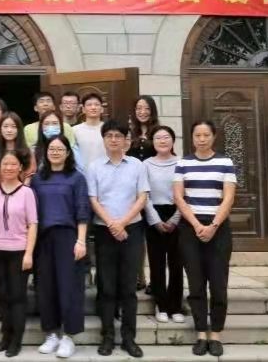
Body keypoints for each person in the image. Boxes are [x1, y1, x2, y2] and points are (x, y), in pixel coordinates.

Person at [173, 120, 236, 357]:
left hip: (218, 228)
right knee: (196, 283)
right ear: (192, 138)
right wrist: (197, 225)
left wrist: (213, 225)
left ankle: (216, 334)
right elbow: (179, 197)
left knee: (218, 284)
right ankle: (201, 333)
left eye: (206, 135)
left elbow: (228, 198)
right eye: (197, 135)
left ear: (213, 136)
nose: (201, 139)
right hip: (190, 228)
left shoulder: (225, 162)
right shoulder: (183, 163)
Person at [87, 119, 149, 359]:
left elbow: (142, 197)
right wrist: (113, 224)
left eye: (118, 136)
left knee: (128, 287)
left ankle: (129, 338)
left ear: (126, 140)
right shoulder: (94, 167)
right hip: (104, 231)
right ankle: (107, 336)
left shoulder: (137, 165)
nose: (114, 140)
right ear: (103, 139)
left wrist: (122, 223)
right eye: (109, 136)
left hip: (131, 230)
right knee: (106, 286)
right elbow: (93, 200)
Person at [30, 135, 90, 359]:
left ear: (68, 153)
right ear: (46, 152)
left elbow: (82, 210)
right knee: (46, 287)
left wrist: (81, 240)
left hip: (68, 236)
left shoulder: (77, 178)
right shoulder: (38, 179)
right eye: (51, 149)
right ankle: (51, 334)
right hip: (43, 238)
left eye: (60, 149)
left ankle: (68, 337)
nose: (55, 152)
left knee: (69, 287)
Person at [0, 150, 38, 358]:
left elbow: (33, 224)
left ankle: (16, 340)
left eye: (13, 164)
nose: (9, 168)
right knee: (3, 295)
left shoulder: (27, 193)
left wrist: (29, 253)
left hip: (19, 251)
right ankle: (5, 337)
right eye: (5, 164)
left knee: (17, 296)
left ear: (20, 167)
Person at [143, 125, 185, 324]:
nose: (162, 140)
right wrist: (155, 220)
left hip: (178, 213)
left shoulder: (182, 163)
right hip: (154, 215)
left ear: (173, 140)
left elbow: (186, 193)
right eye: (158, 137)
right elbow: (144, 194)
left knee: (176, 263)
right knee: (156, 263)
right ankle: (161, 305)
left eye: (166, 137)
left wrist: (175, 219)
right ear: (153, 142)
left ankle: (176, 306)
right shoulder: (146, 164)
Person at [128, 96, 159, 293]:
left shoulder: (159, 132)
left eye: (146, 108)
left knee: (154, 238)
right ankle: (139, 277)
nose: (142, 112)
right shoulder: (130, 133)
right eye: (139, 108)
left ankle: (156, 281)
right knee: (137, 238)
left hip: (154, 191)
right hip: (133, 192)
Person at [0, 112, 36, 183]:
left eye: (13, 126)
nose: (9, 130)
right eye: (5, 126)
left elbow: (30, 176)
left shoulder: (27, 152)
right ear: (0, 129)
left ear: (19, 130)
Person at [73, 93, 105, 168]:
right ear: (83, 110)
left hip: (105, 172)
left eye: (96, 104)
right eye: (89, 105)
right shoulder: (75, 130)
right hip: (82, 172)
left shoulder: (108, 129)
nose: (93, 107)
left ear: (102, 109)